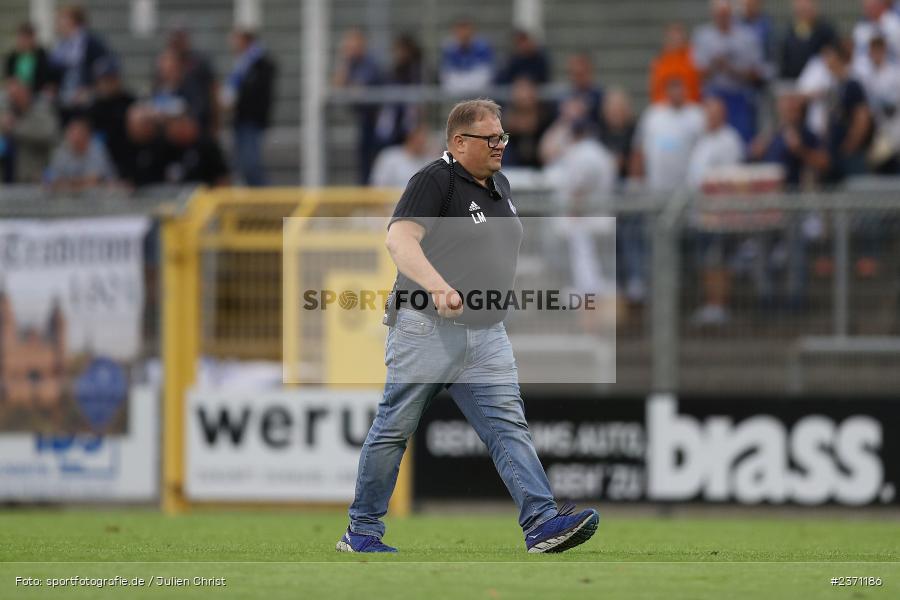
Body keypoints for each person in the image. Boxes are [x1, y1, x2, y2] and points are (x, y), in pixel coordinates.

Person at [339, 99, 600, 554]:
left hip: (486, 331)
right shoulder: (433, 181)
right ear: (459, 143)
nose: (501, 144)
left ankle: (541, 522)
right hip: (427, 326)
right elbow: (399, 239)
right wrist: (439, 286)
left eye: (502, 136)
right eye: (490, 138)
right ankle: (361, 530)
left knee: (508, 427)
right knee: (394, 427)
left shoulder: (499, 183)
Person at [687, 97, 746, 326]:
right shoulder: (703, 140)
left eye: (713, 114)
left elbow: (730, 178)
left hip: (719, 213)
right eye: (706, 114)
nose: (708, 118)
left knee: (717, 259)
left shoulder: (729, 140)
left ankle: (719, 304)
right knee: (706, 260)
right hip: (701, 212)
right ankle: (711, 302)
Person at [692, 0, 766, 142]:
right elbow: (699, 73)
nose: (722, 19)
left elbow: (756, 72)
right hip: (714, 95)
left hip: (739, 95)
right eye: (719, 15)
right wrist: (715, 64)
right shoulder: (703, 36)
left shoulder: (747, 36)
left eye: (725, 15)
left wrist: (731, 69)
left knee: (740, 138)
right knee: (712, 139)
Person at [630, 77, 705, 192]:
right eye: (673, 89)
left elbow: (705, 150)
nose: (676, 93)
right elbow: (639, 148)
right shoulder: (653, 114)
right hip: (656, 184)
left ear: (685, 90)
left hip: (687, 185)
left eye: (679, 88)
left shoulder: (696, 115)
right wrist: (637, 180)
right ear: (666, 91)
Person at [224, 29, 276, 187]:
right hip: (242, 120)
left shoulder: (259, 63)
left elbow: (253, 92)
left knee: (250, 164)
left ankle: (263, 202)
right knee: (243, 164)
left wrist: (235, 100)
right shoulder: (243, 63)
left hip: (250, 119)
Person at [332, 28, 382, 184]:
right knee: (364, 162)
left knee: (374, 162)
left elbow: (358, 90)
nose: (350, 48)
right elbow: (337, 86)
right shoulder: (351, 63)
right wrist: (345, 61)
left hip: (378, 121)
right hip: (364, 120)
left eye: (353, 44)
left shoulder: (370, 64)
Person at [49, 4, 112, 124]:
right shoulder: (60, 46)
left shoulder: (90, 42)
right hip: (63, 99)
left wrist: (91, 89)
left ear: (73, 21)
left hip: (85, 101)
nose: (59, 23)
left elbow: (103, 68)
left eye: (63, 19)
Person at [821, 42, 873, 182]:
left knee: (855, 190)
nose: (826, 61)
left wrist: (851, 144)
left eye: (829, 57)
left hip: (849, 151)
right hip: (834, 150)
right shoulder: (833, 85)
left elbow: (862, 117)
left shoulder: (852, 85)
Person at [162, 25, 218, 133]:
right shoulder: (164, 62)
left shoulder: (200, 63)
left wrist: (215, 122)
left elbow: (213, 91)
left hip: (198, 123)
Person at [0, 78, 57, 183]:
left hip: (32, 177)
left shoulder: (41, 110)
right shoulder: (8, 113)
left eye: (16, 95)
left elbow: (49, 134)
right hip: (8, 176)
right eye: (10, 96)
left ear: (26, 93)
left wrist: (15, 129)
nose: (13, 100)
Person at [374, 34, 424, 150]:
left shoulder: (416, 71)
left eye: (402, 50)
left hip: (409, 120)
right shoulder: (392, 71)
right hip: (392, 121)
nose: (399, 54)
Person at [89, 57, 135, 179]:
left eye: (111, 79)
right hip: (102, 160)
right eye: (103, 80)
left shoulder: (130, 102)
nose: (107, 84)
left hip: (128, 159)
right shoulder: (93, 107)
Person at [687, 96, 745, 190]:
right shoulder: (703, 137)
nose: (710, 117)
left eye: (714, 114)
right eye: (708, 113)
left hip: (717, 198)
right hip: (697, 195)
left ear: (722, 115)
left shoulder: (730, 140)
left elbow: (730, 175)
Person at [861, 36, 900, 173]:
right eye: (873, 51)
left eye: (878, 51)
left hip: (894, 126)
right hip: (877, 127)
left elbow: (893, 104)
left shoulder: (895, 73)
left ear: (884, 51)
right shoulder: (865, 73)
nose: (875, 55)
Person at [46, 116, 116, 190]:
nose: (74, 137)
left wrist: (69, 182)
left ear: (87, 135)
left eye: (79, 133)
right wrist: (78, 182)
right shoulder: (61, 151)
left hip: (103, 193)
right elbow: (53, 180)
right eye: (71, 132)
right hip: (69, 194)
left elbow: (95, 180)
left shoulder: (97, 148)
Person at [162, 113, 230, 186]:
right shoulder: (163, 148)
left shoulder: (207, 146)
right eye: (177, 127)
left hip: (204, 191)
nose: (181, 130)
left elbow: (223, 175)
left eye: (185, 126)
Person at [779, 0, 837, 80]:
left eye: (806, 5)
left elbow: (832, 57)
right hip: (791, 80)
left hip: (816, 83)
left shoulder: (825, 30)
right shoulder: (789, 31)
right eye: (800, 7)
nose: (803, 7)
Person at [502, 78, 552, 168]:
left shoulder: (545, 116)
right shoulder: (507, 119)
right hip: (513, 166)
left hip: (540, 165)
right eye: (520, 91)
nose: (523, 96)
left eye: (526, 91)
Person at [649, 23, 702, 105]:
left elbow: (696, 86)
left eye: (678, 36)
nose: (675, 39)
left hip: (689, 106)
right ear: (666, 39)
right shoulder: (659, 62)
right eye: (672, 37)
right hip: (665, 107)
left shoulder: (693, 57)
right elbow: (655, 90)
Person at [439, 19, 494, 93]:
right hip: (455, 92)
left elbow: (485, 75)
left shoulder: (483, 48)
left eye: (466, 31)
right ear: (456, 32)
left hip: (478, 92)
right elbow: (446, 77)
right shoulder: (449, 49)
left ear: (472, 32)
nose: (464, 34)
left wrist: (466, 85)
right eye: (460, 31)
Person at [120, 104, 167, 187]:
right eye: (130, 125)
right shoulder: (125, 146)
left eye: (137, 125)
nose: (132, 129)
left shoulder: (163, 145)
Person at [852, 0, 900, 81]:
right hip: (867, 70)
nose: (869, 10)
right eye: (866, 8)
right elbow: (858, 56)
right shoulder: (861, 28)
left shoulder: (894, 24)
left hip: (891, 68)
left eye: (872, 7)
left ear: (881, 6)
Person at [598, 87, 638, 183]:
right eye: (612, 109)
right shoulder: (599, 132)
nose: (616, 113)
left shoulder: (635, 132)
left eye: (619, 109)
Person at [5, 23, 52, 94]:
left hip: (35, 90)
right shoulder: (13, 57)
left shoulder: (41, 55)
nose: (23, 41)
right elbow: (9, 76)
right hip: (16, 89)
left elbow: (44, 77)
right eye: (21, 37)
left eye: (26, 38)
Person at [562, 53, 603, 127]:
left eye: (580, 74)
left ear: (589, 71)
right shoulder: (565, 96)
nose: (576, 78)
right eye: (573, 73)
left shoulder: (599, 95)